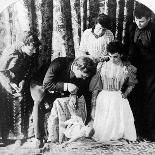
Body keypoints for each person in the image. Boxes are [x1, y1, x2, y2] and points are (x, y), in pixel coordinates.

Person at [26, 56, 96, 148]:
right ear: (76, 68)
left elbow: (83, 90)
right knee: (38, 102)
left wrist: (74, 95)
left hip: (58, 87)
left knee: (62, 104)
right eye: (82, 75)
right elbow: (46, 84)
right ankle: (38, 138)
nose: (83, 78)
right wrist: (67, 86)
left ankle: (58, 136)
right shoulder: (58, 63)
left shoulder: (83, 72)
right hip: (40, 83)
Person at [90, 40, 137, 142]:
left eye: (115, 56)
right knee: (104, 123)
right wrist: (93, 104)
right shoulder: (101, 65)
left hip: (117, 96)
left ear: (121, 54)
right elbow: (96, 86)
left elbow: (132, 83)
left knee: (117, 121)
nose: (112, 59)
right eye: (110, 56)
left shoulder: (126, 67)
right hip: (104, 96)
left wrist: (125, 94)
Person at [0, 31, 40, 146]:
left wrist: (22, 81)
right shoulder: (12, 52)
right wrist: (10, 84)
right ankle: (7, 137)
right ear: (24, 44)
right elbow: (2, 71)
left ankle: (19, 136)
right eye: (32, 48)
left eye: (35, 48)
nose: (35, 51)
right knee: (9, 103)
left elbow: (27, 71)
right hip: (3, 82)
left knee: (22, 100)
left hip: (17, 83)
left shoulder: (29, 54)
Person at [124, 4, 155, 141]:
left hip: (152, 71)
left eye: (141, 21)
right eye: (136, 20)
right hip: (136, 69)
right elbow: (130, 45)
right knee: (136, 98)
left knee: (151, 100)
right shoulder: (132, 27)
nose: (138, 23)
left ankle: (151, 133)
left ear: (149, 18)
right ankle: (138, 131)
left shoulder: (154, 29)